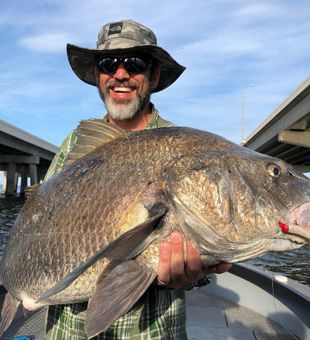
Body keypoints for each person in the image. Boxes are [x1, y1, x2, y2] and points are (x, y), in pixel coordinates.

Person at [44, 19, 231, 339]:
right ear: (98, 77)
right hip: (68, 329)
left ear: (154, 75)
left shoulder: (190, 151)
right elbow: (42, 216)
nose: (120, 74)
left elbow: (209, 238)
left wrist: (195, 273)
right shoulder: (75, 143)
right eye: (108, 64)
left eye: (134, 64)